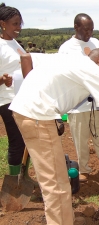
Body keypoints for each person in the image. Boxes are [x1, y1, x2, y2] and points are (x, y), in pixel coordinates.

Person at [9, 48, 99, 225]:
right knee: (56, 185)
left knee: (57, 179)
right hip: (38, 117)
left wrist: (36, 95)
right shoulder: (94, 70)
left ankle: (65, 220)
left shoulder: (69, 57)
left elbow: (26, 58)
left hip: (30, 113)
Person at [58, 13, 99, 182]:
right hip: (77, 103)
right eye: (86, 29)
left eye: (91, 29)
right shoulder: (66, 48)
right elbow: (63, 74)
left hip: (97, 100)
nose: (89, 32)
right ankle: (83, 169)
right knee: (80, 140)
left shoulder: (96, 43)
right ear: (76, 27)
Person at [0, 3, 25, 176]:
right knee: (17, 141)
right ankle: (15, 180)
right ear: (3, 24)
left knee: (24, 141)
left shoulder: (15, 43)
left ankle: (23, 176)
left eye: (19, 24)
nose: (18, 28)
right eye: (14, 24)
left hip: (20, 99)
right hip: (7, 100)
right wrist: (2, 79)